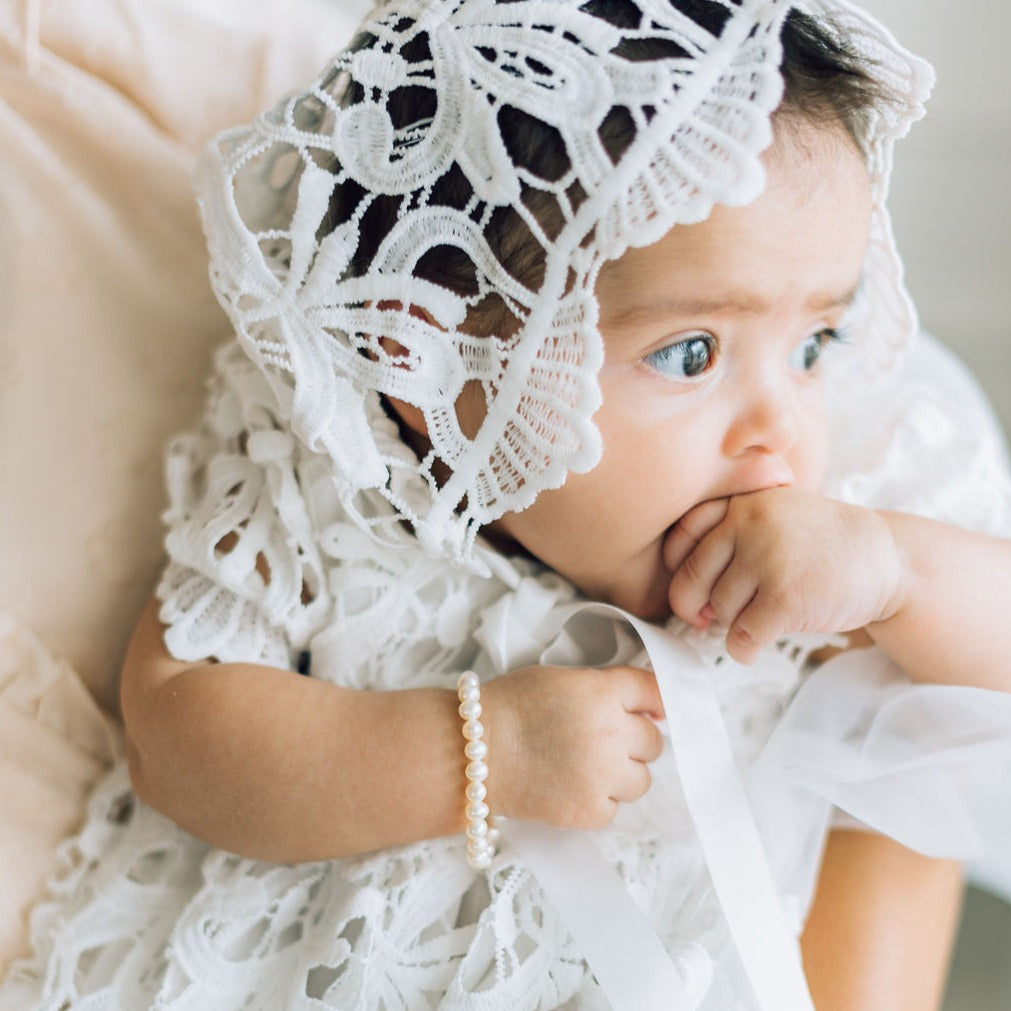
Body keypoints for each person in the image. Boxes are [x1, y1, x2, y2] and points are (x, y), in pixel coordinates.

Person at [6, 0, 1011, 1008]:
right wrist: (475, 750)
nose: (781, 429)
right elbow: (178, 729)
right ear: (431, 364)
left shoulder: (833, 511)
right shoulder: (336, 473)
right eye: (690, 354)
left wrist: (895, 572)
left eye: (813, 347)